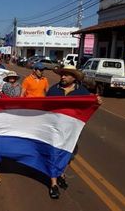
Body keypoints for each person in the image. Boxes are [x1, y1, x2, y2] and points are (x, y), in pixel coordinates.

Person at [46, 65, 102, 199]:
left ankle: (61, 174)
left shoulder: (82, 92)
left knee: (68, 155)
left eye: (66, 75)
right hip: (55, 130)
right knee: (54, 154)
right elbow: (45, 108)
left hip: (72, 132)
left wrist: (96, 102)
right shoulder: (53, 90)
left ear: (74, 77)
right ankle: (53, 184)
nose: (63, 77)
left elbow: (87, 107)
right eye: (62, 74)